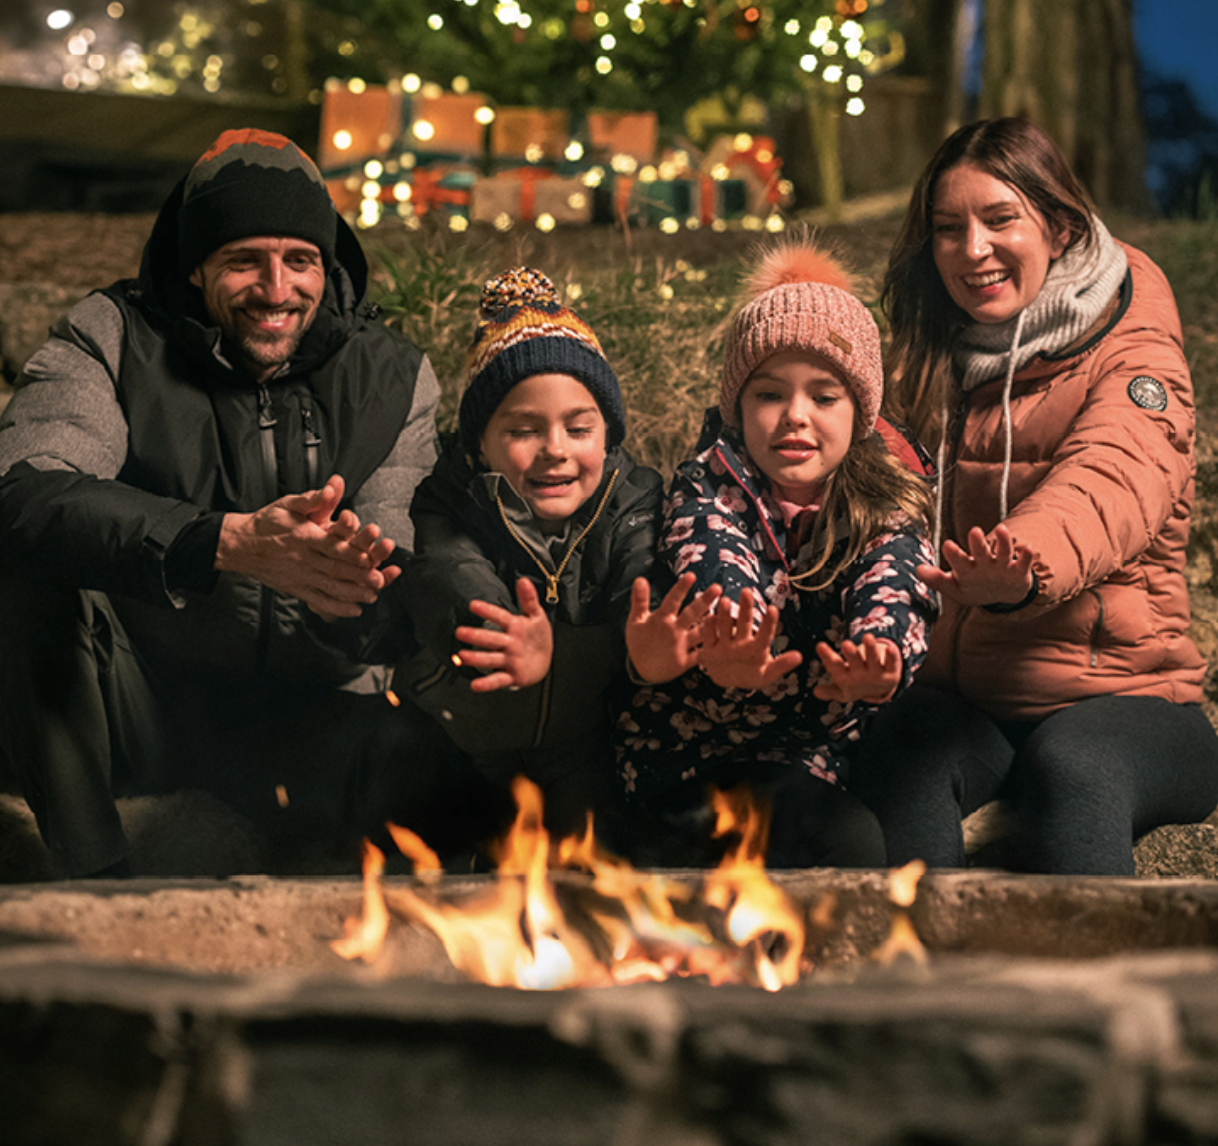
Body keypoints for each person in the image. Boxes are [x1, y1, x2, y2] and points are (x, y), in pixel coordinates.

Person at [0, 128, 452, 878]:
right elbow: (23, 494)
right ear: (195, 266)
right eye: (244, 261)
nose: (277, 291)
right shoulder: (112, 338)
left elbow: (400, 564)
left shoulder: (392, 375)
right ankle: (97, 881)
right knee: (22, 569)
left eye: (300, 261)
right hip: (141, 708)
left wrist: (353, 585)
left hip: (313, 713)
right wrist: (222, 543)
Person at [850, 116, 1218, 876]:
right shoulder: (927, 356)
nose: (972, 249)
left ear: (1059, 225)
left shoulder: (1135, 352)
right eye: (948, 229)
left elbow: (1115, 474)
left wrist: (1024, 562)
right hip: (965, 699)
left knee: (1076, 774)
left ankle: (1092, 998)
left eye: (1000, 219)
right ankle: (918, 988)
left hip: (1125, 698)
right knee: (899, 760)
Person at [616, 237, 939, 869]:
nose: (796, 416)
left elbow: (895, 581)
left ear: (860, 414)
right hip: (683, 756)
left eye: (824, 397)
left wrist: (884, 657)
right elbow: (711, 554)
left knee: (852, 844)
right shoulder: (706, 484)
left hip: (808, 762)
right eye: (769, 395)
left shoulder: (886, 503)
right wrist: (731, 629)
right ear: (737, 407)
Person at [393, 266, 695, 851]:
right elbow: (447, 574)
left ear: (607, 435)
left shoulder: (634, 499)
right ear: (479, 441)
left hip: (585, 748)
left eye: (579, 429)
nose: (555, 450)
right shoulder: (449, 499)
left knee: (595, 857)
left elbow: (640, 589)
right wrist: (496, 627)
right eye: (524, 430)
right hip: (465, 741)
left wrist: (641, 642)